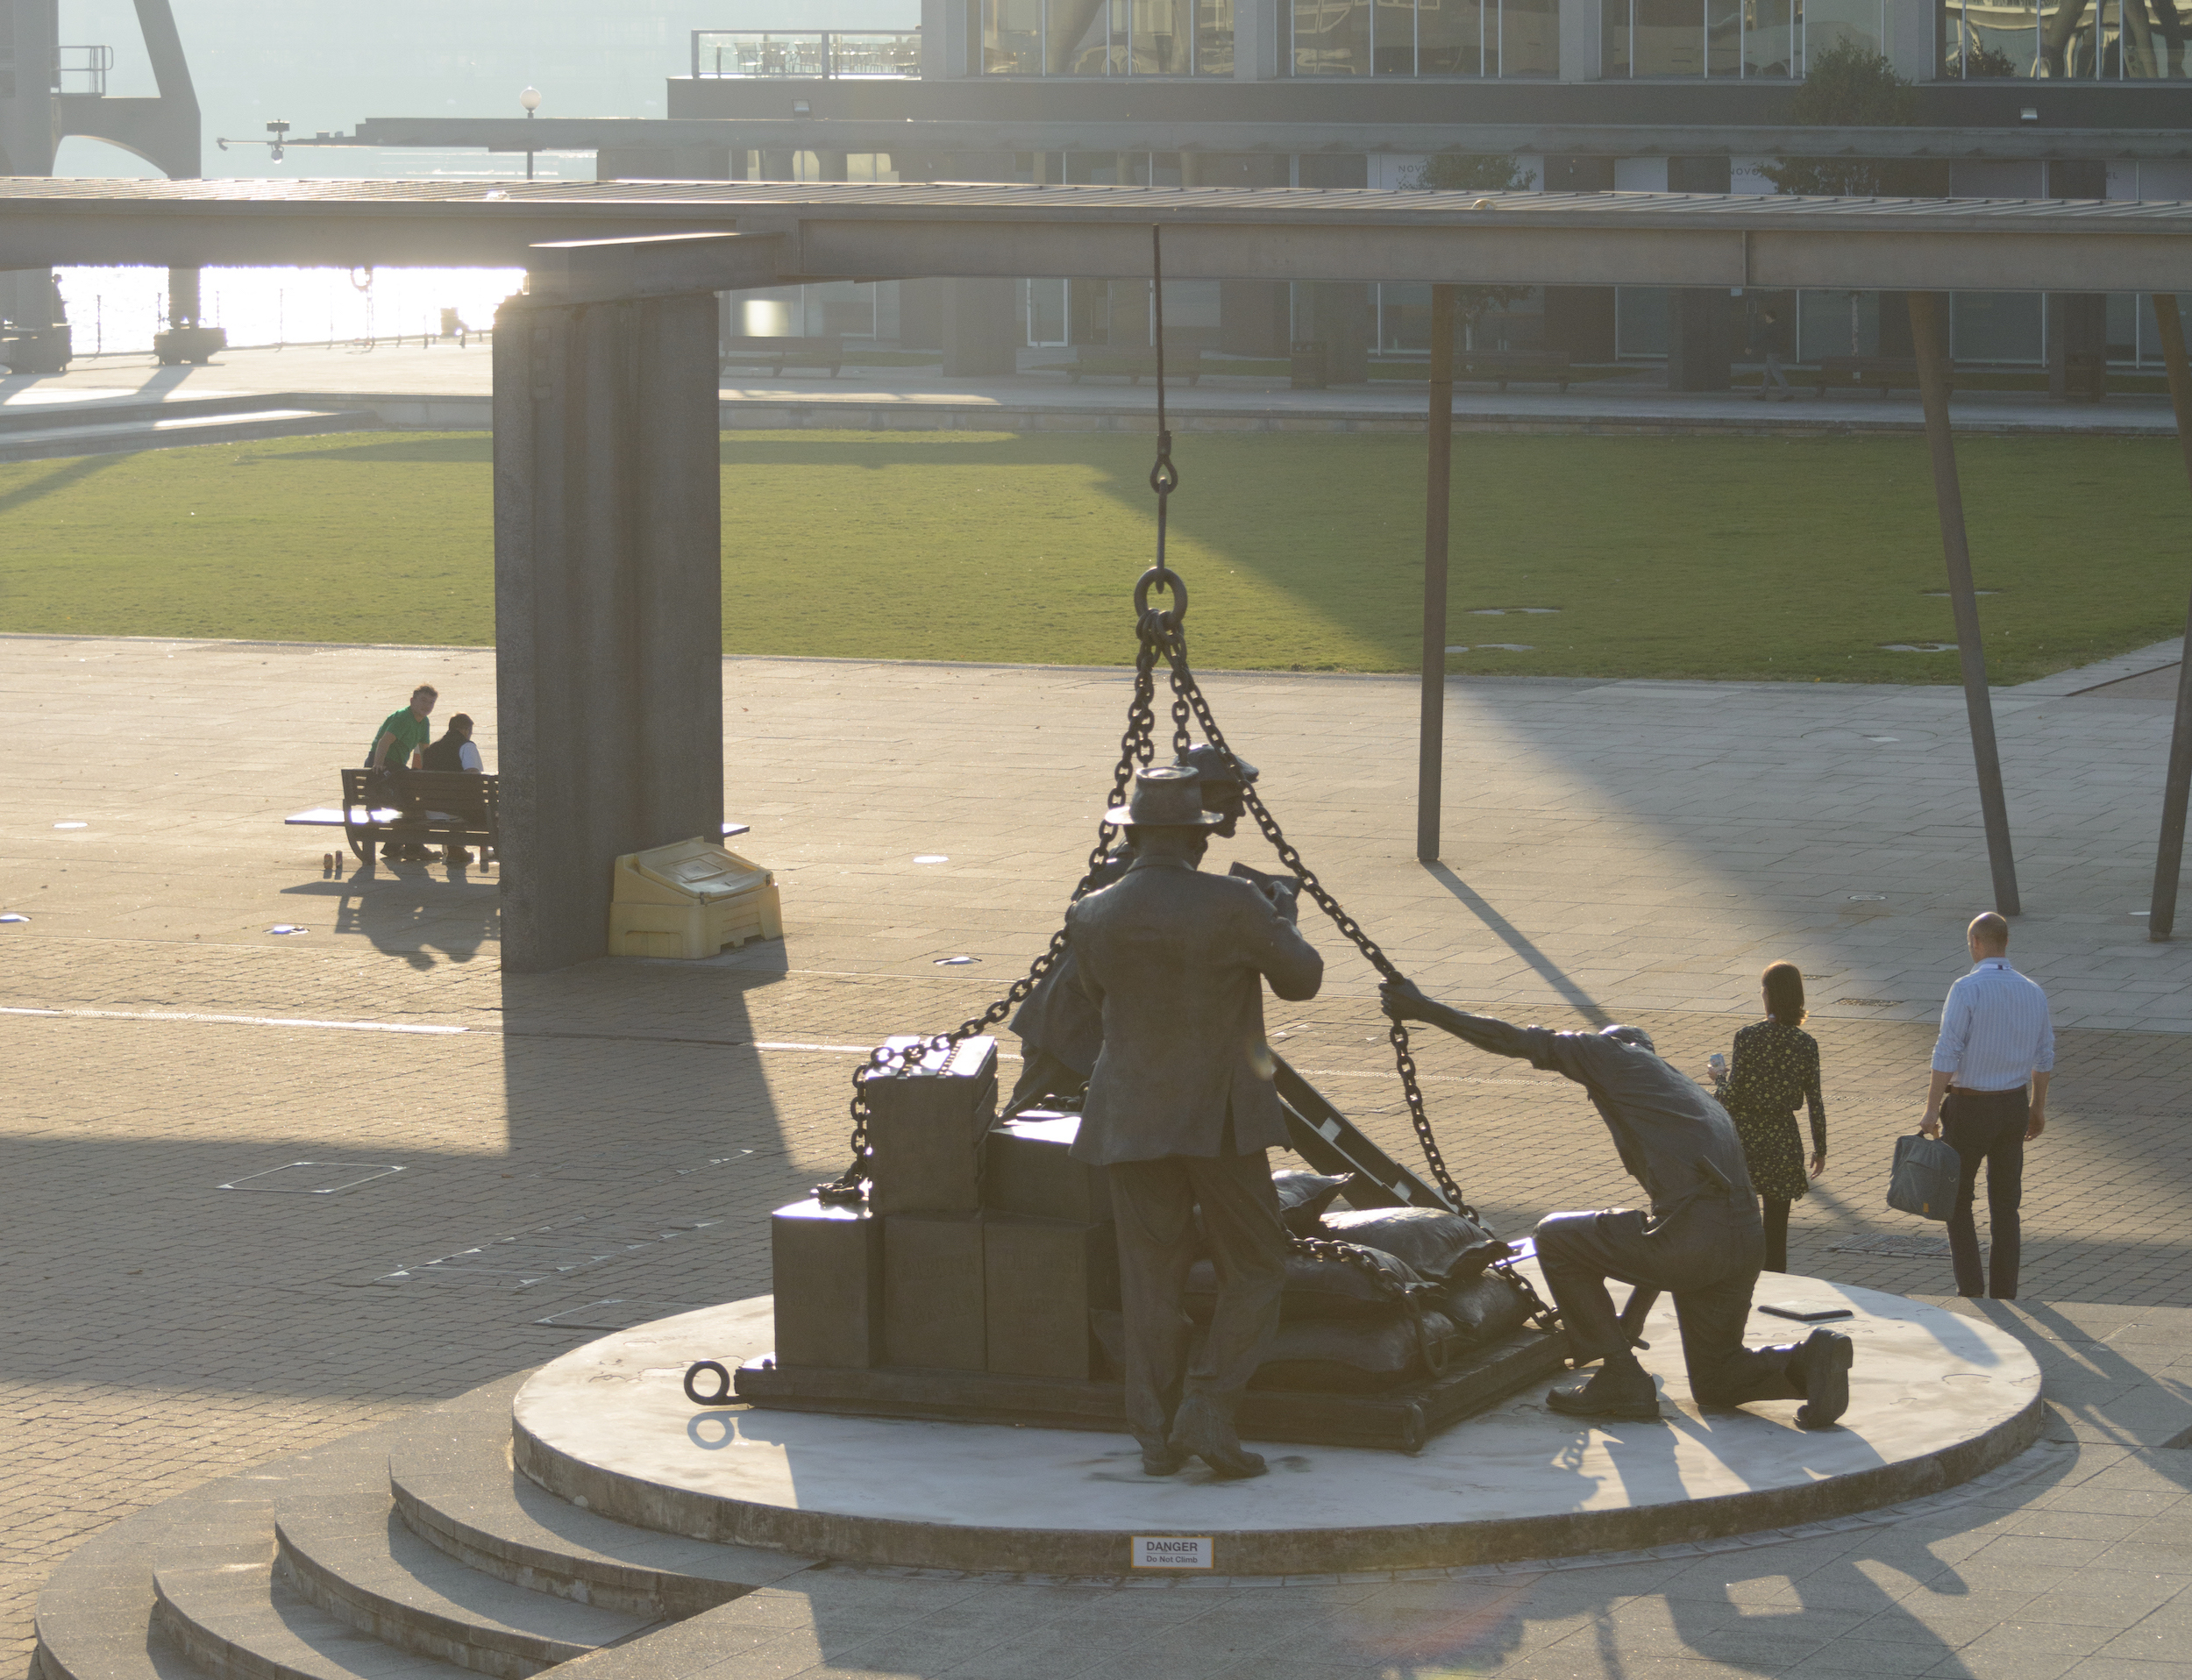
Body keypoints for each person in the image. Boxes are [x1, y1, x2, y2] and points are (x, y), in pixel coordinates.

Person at [1380, 981, 1854, 1429]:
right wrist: (1630, 1317)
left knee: (1555, 1238)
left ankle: (1621, 1378)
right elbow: (1672, 1225)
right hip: (1741, 1240)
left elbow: (1515, 1039)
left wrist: (1422, 1009)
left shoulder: (1606, 1054)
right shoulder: (1679, 1093)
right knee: (1716, 1379)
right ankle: (1805, 1360)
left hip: (1697, 1238)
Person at [1068, 764, 1322, 1479]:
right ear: (1197, 838)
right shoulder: (1237, 904)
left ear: (1138, 833)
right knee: (1257, 1268)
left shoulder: (1091, 913)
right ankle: (1208, 1409)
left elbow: (1096, 997)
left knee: (1150, 1278)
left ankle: (1153, 1436)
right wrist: (1282, 920)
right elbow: (1302, 980)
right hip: (1218, 1120)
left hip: (1129, 1119)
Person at [1003, 744, 1261, 1116]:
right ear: (1194, 801)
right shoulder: (1126, 868)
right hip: (1072, 1030)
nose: (1240, 808)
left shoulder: (1176, 850)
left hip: (1097, 1026)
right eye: (1231, 797)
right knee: (1025, 1127)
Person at [1921, 912, 2053, 1300]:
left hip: (1969, 1107)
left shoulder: (1966, 988)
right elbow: (2044, 1056)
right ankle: (2004, 1291)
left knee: (1957, 1199)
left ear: (1977, 943)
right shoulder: (2033, 991)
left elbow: (1947, 1050)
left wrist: (1931, 1108)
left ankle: (1971, 1288)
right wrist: (2038, 1107)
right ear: (2005, 942)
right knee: (2006, 1203)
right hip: (2014, 1104)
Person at [1711, 961, 1827, 1274]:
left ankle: (1738, 1278)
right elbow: (1815, 1100)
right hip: (1782, 1140)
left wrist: (1719, 1079)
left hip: (1746, 1138)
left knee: (1739, 1216)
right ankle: (1776, 1282)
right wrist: (1821, 1148)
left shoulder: (1748, 1037)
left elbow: (1732, 1096)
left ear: (1769, 995)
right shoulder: (1805, 1044)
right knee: (1777, 1226)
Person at [367, 686, 437, 862]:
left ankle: (393, 846)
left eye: (431, 703)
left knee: (412, 799)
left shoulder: (424, 722)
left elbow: (423, 752)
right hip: (383, 765)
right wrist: (378, 765)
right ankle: (414, 848)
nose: (427, 706)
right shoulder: (403, 717)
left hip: (396, 767)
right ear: (412, 701)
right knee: (414, 803)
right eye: (423, 700)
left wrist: (419, 775)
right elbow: (385, 741)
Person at [420, 715, 485, 865]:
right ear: (466, 730)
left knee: (457, 803)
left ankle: (456, 850)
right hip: (457, 810)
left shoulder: (431, 749)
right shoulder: (467, 746)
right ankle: (456, 849)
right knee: (470, 806)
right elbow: (473, 778)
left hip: (431, 809)